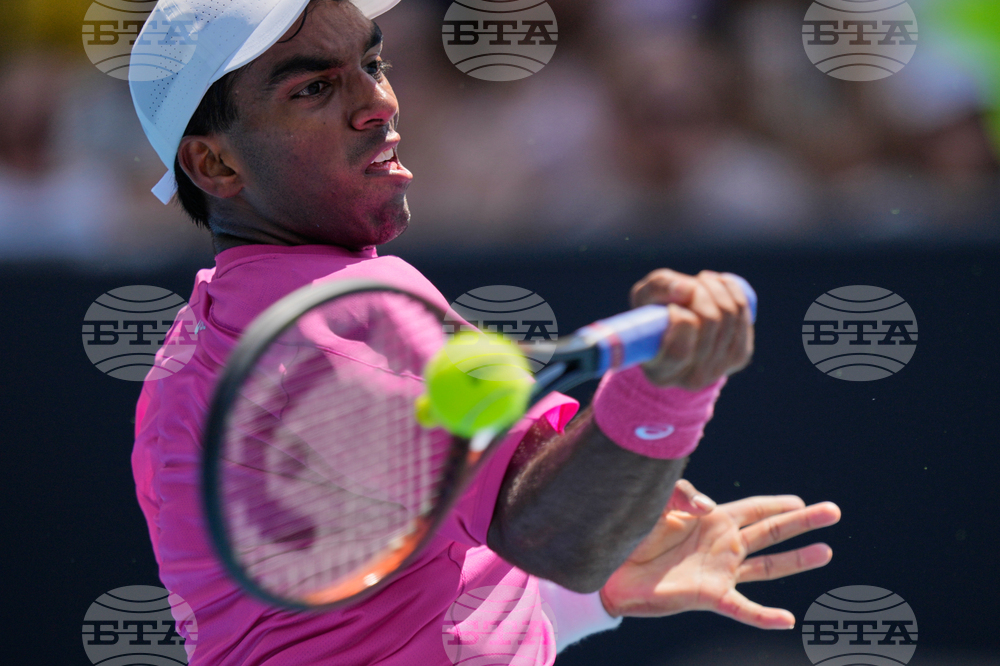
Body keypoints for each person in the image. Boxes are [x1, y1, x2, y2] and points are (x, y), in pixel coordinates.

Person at [129, 1, 841, 663]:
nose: (378, 104)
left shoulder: (198, 342)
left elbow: (360, 623)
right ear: (215, 163)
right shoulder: (347, 314)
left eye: (372, 65)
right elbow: (558, 538)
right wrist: (668, 393)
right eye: (313, 89)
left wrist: (576, 600)